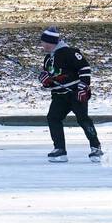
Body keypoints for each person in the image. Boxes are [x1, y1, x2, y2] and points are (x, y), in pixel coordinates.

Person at [39, 27, 102, 162]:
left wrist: (83, 86)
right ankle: (59, 149)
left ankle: (96, 147)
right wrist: (45, 81)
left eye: (43, 42)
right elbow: (50, 79)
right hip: (59, 96)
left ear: (51, 42)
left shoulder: (70, 53)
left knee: (83, 119)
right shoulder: (48, 59)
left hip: (75, 94)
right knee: (53, 118)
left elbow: (84, 68)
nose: (42, 45)